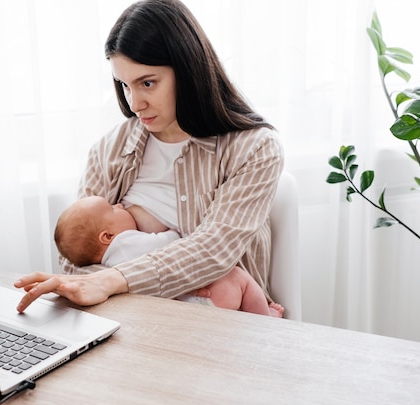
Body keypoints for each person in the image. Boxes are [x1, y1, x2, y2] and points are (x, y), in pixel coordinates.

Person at [15, 0, 285, 314]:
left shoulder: (254, 148)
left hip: (224, 321)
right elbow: (75, 262)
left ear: (188, 70)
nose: (135, 104)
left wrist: (114, 279)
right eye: (124, 85)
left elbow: (215, 250)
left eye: (147, 83)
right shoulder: (110, 150)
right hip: (132, 316)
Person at [54, 195, 284, 317]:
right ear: (107, 236)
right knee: (237, 277)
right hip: (199, 301)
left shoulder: (108, 264)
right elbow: (172, 243)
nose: (119, 205)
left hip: (179, 312)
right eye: (112, 209)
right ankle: (263, 318)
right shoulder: (126, 244)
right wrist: (173, 229)